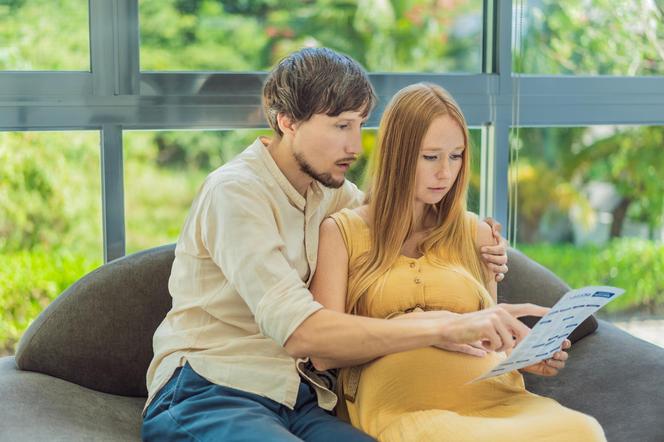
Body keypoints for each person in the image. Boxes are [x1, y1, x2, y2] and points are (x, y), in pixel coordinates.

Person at [141, 48, 517, 441]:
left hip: (295, 399)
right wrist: (441, 328)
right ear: (287, 122)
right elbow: (303, 333)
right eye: (341, 126)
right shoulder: (235, 193)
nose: (355, 146)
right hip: (209, 390)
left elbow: (398, 215)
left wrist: (479, 237)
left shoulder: (328, 193)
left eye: (359, 125)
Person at [309, 82, 607, 441]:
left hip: (498, 397)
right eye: (431, 156)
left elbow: (489, 340)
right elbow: (324, 353)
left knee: (584, 430)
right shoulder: (342, 233)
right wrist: (435, 325)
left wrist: (525, 355)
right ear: (397, 155)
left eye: (456, 155)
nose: (445, 173)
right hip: (404, 405)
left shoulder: (477, 234)